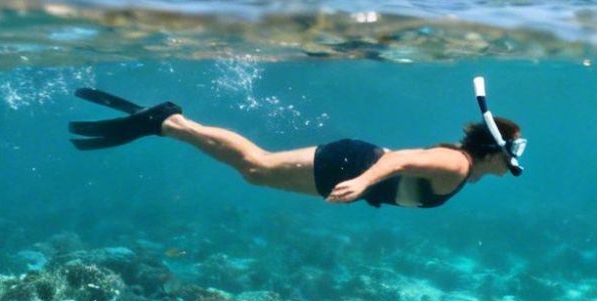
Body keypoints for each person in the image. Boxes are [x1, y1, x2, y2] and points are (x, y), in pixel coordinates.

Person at [68, 79, 523, 208]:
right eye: (514, 153)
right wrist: (363, 183)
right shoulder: (457, 165)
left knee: (256, 172)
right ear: (495, 150)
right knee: (256, 168)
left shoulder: (464, 168)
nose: (515, 163)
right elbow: (402, 159)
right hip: (355, 165)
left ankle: (167, 122)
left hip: (357, 162)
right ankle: (168, 121)